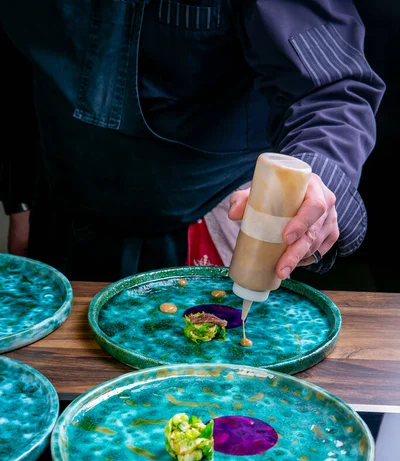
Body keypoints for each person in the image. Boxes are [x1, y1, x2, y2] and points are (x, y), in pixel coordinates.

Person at [0, 1, 384, 282]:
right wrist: (18, 200)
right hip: (59, 220)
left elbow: (332, 90)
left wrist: (316, 180)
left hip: (211, 222)